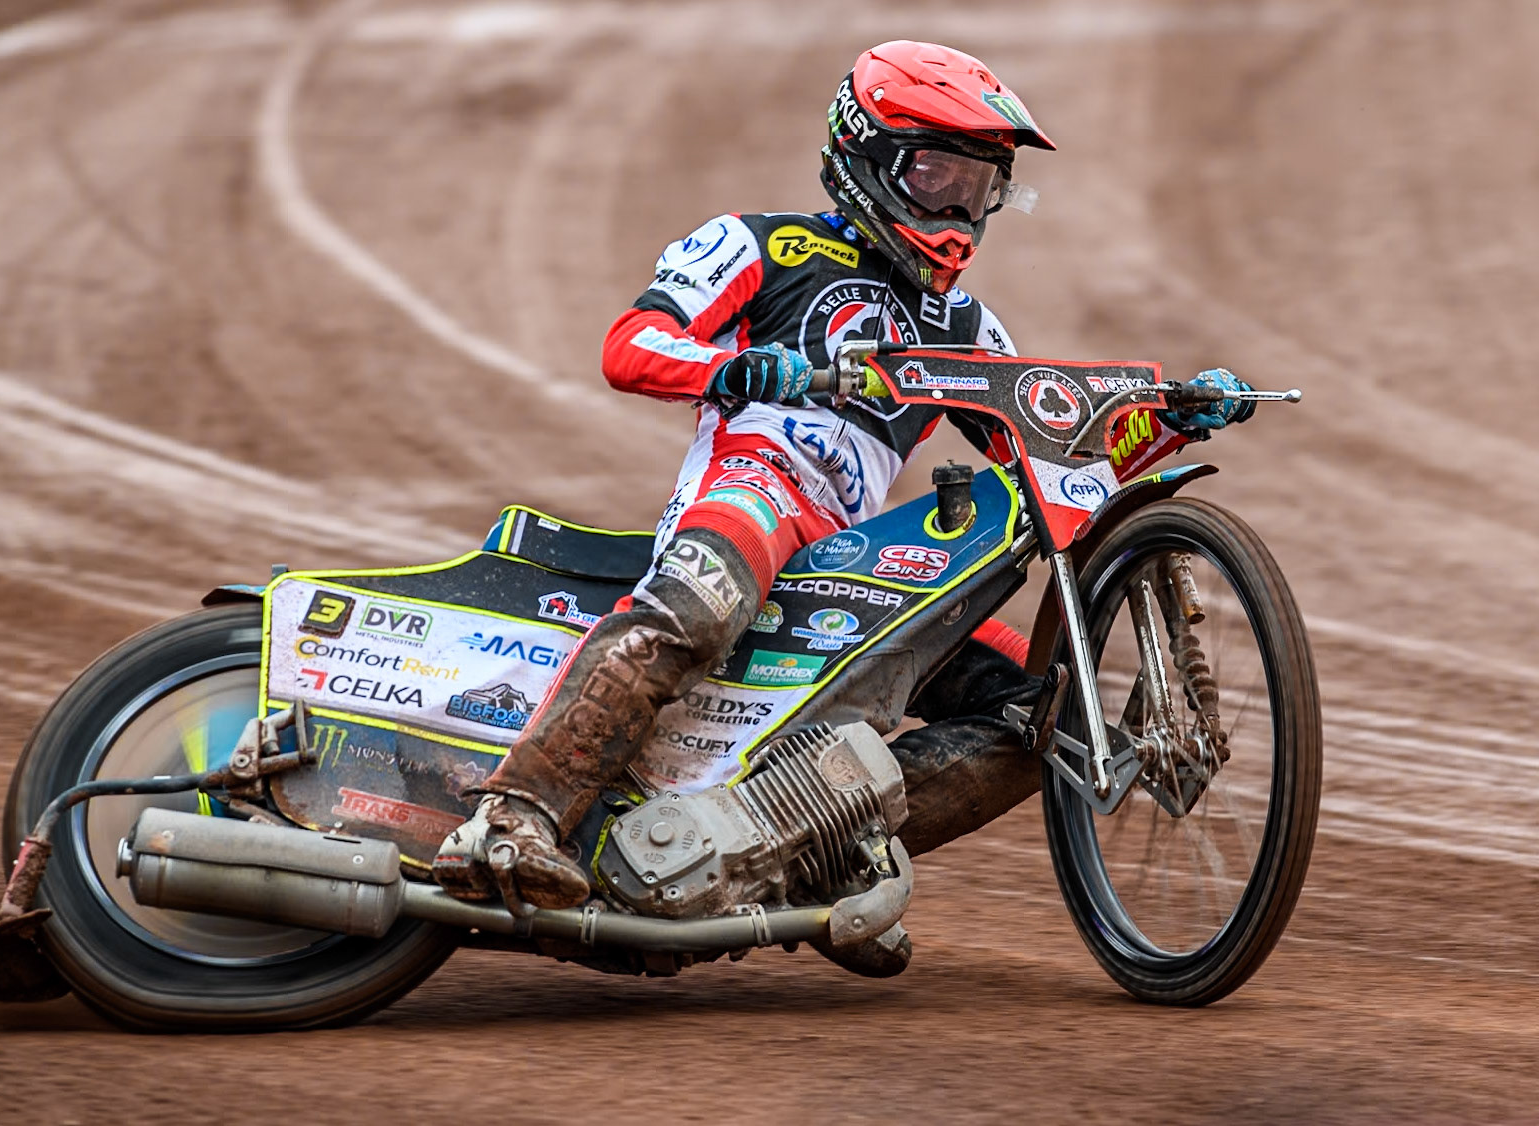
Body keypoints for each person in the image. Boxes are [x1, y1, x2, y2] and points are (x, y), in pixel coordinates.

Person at [434, 41, 1253, 969]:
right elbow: (631, 345)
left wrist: (1170, 422)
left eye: (979, 189)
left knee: (1046, 717)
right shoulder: (759, 243)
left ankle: (817, 858)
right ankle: (512, 818)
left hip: (853, 555)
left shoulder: (965, 329)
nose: (957, 212)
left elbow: (1055, 462)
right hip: (753, 486)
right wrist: (733, 367)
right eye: (935, 176)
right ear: (865, 155)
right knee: (695, 612)